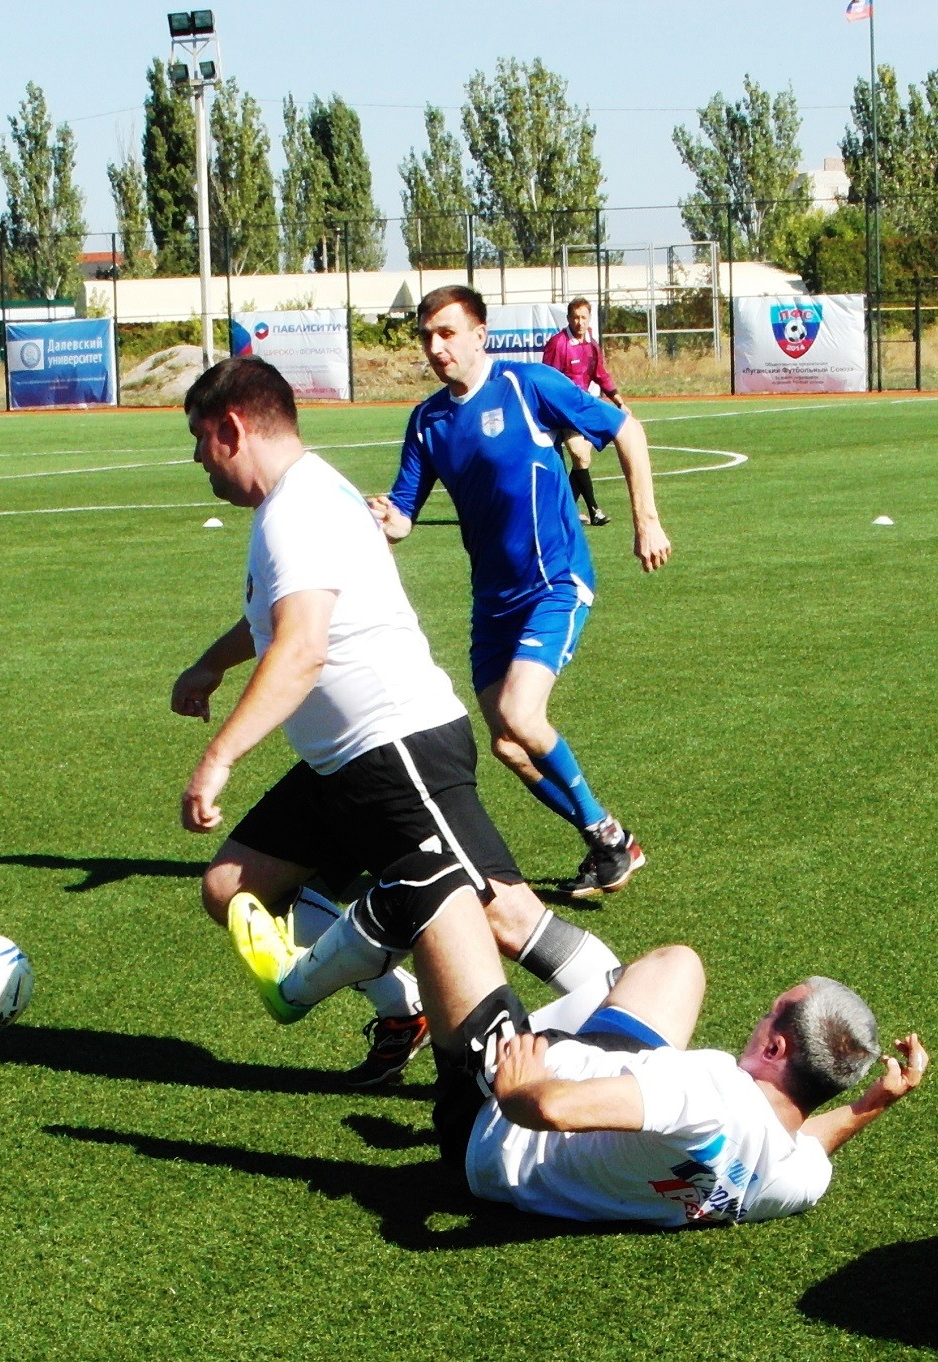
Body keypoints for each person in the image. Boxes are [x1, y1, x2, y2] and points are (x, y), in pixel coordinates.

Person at [172, 354, 626, 1091]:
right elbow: (276, 614)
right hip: (339, 766)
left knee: (501, 920)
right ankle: (403, 1010)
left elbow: (302, 647)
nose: (197, 459)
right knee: (233, 888)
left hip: (399, 749)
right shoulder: (300, 500)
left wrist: (220, 756)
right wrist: (211, 664)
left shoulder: (299, 510)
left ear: (231, 427)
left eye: (199, 440)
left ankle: (618, 1003)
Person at [371, 285, 673, 898]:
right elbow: (403, 517)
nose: (436, 347)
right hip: (492, 604)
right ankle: (609, 841)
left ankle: (609, 837)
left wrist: (646, 520)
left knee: (519, 715)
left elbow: (626, 430)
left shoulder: (527, 385)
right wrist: (379, 518)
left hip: (554, 583)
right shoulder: (428, 421)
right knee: (508, 744)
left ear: (480, 333)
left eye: (447, 333)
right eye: (427, 336)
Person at [464, 943, 929, 1227]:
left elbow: (548, 1109)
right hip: (604, 1081)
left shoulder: (708, 1092)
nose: (760, 1019)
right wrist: (877, 1101)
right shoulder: (795, 1184)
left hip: (491, 1132)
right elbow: (809, 1145)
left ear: (774, 1051)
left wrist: (513, 1088)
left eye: (771, 1013)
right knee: (678, 965)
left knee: (441, 888)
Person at [540, 297, 621, 526]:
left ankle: (566, 513)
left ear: (589, 318)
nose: (579, 322)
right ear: (568, 319)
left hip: (585, 408)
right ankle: (594, 510)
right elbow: (546, 378)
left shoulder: (592, 344)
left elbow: (600, 374)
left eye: (583, 317)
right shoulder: (558, 344)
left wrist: (619, 401)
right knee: (579, 454)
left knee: (582, 461)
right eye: (575, 317)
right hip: (564, 410)